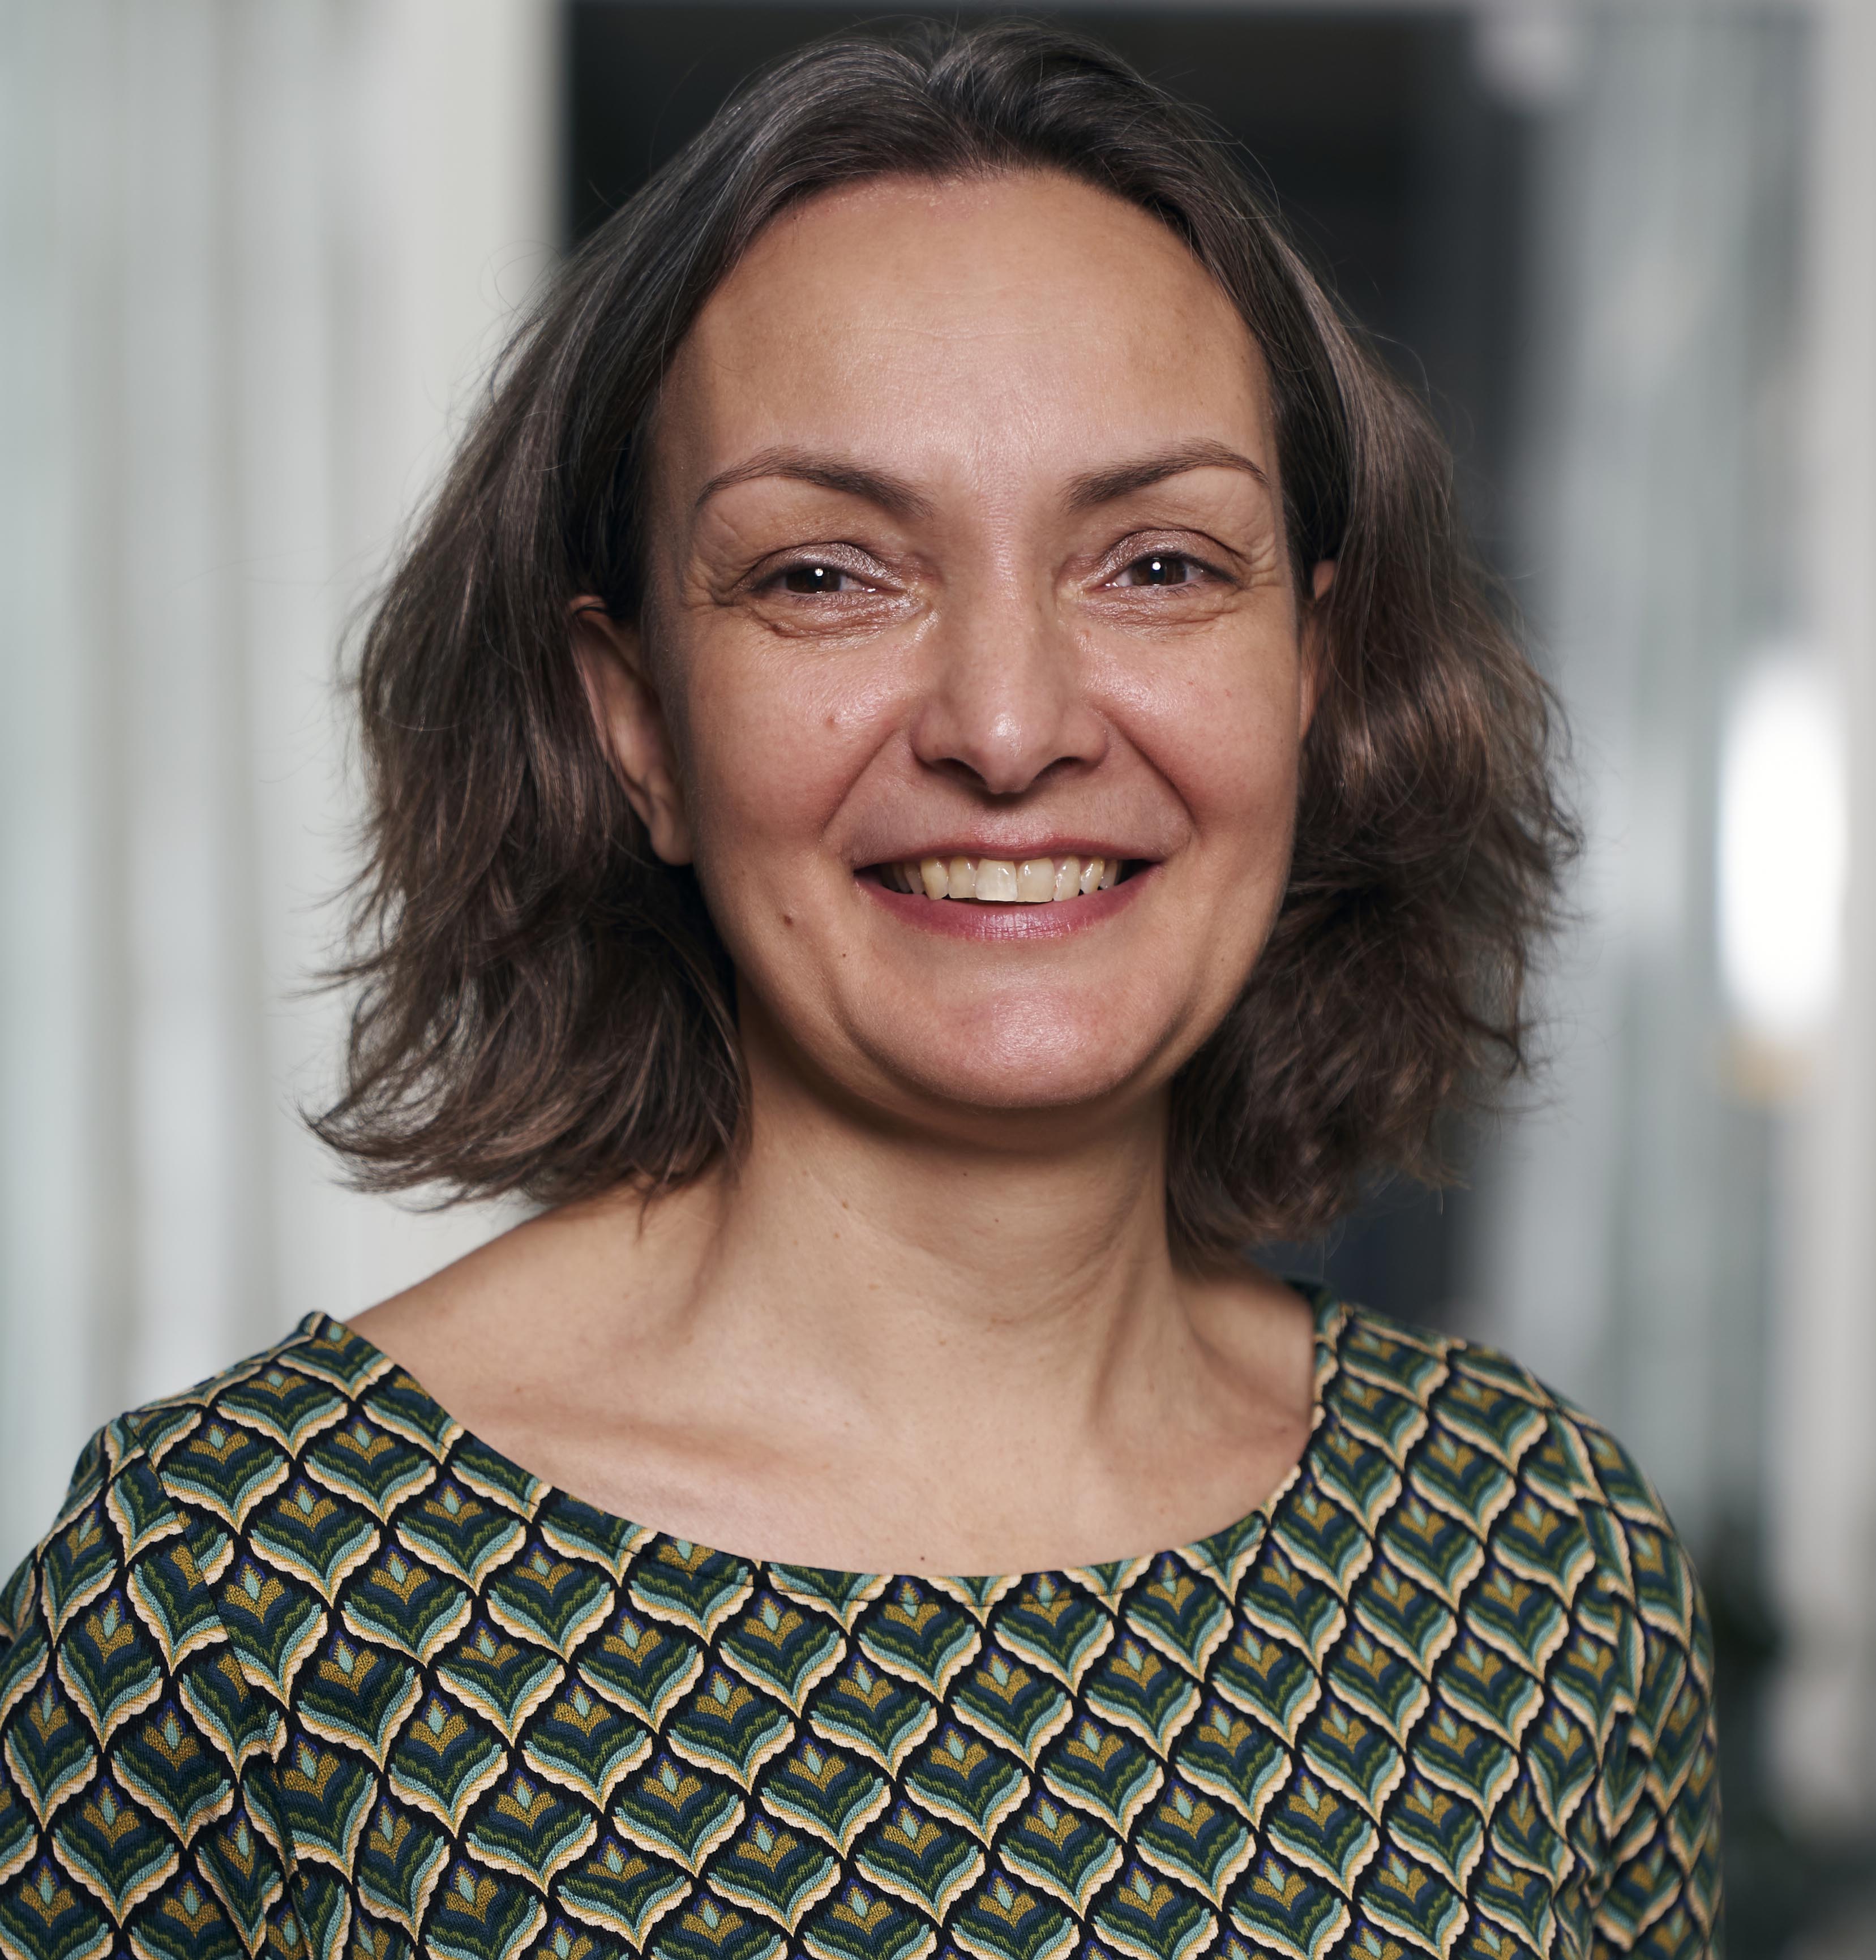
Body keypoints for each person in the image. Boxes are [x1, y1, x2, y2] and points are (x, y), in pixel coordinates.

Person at [0, 22, 1719, 1960]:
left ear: (1311, 680)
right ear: (635, 719)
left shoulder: (1536, 1564)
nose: (1010, 724)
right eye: (827, 575)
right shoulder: (242, 1598)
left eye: (1159, 566)